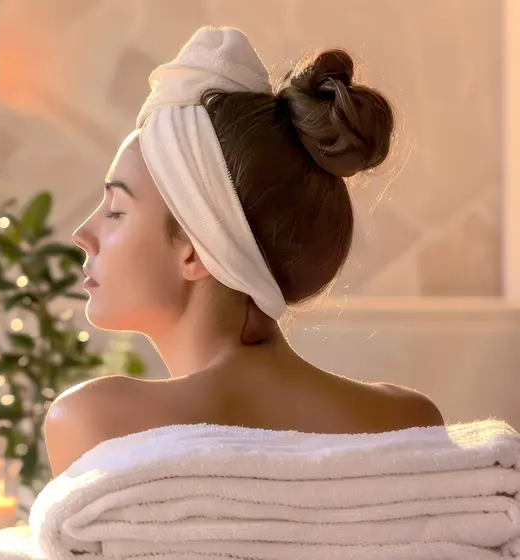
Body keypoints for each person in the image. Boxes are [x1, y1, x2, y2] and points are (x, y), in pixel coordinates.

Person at [46, 28, 444, 478]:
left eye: (116, 211)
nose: (83, 233)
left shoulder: (97, 425)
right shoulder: (408, 422)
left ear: (195, 250)